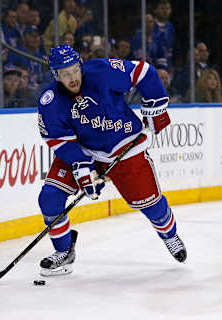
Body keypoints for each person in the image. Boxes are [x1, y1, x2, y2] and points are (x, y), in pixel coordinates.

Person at [36, 44, 187, 276]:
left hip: (125, 145)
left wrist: (155, 106)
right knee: (49, 197)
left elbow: (143, 72)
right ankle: (64, 251)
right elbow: (58, 140)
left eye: (74, 70)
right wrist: (82, 167)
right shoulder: (51, 101)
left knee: (151, 204)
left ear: (81, 66)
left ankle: (170, 235)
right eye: (64, 74)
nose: (72, 77)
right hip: (84, 150)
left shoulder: (102, 71)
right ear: (56, 76)